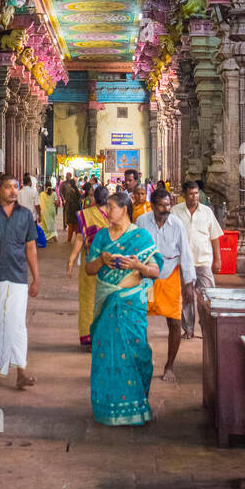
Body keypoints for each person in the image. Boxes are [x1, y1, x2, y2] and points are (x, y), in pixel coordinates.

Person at [86, 191, 162, 425]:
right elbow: (89, 269)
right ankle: (107, 408)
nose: (107, 211)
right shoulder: (101, 237)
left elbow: (156, 271)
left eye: (111, 207)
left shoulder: (141, 237)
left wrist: (137, 265)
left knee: (138, 351)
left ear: (124, 209)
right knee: (105, 352)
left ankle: (137, 404)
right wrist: (102, 261)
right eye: (107, 207)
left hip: (131, 302)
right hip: (107, 299)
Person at [0, 175, 39, 390]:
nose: (13, 191)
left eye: (16, 187)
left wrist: (36, 278)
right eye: (8, 187)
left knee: (16, 323)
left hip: (17, 275)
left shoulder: (24, 215)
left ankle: (21, 371)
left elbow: (31, 247)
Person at [136, 187, 195, 384]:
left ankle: (169, 365)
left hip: (170, 274)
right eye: (161, 205)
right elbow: (135, 249)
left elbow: (185, 253)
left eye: (168, 205)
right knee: (139, 321)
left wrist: (188, 284)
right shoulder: (142, 222)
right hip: (146, 277)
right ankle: (142, 360)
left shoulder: (177, 224)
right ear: (152, 206)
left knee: (175, 322)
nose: (166, 208)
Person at [172, 180, 223, 338]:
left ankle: (208, 329)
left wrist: (217, 259)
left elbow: (214, 237)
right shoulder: (175, 211)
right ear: (184, 195)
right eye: (191, 194)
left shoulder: (206, 211)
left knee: (207, 296)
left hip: (203, 261)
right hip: (183, 262)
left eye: (196, 193)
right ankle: (188, 329)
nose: (194, 197)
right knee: (186, 297)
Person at [67, 182, 110, 346]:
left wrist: (71, 259)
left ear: (93, 198)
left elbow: (80, 238)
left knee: (88, 301)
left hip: (90, 264)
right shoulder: (115, 215)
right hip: (109, 266)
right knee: (106, 300)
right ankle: (103, 336)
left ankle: (90, 336)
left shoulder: (86, 214)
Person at [63, 176, 82, 241]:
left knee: (70, 225)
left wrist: (66, 209)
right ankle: (77, 239)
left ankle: (69, 240)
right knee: (76, 224)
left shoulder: (69, 190)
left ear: (70, 184)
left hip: (70, 209)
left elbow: (68, 200)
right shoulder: (78, 190)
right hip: (77, 209)